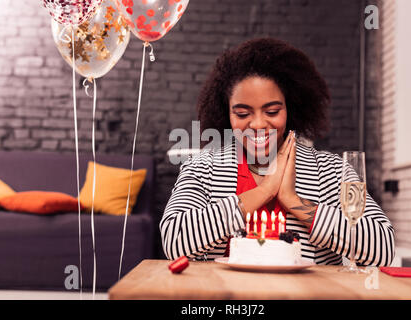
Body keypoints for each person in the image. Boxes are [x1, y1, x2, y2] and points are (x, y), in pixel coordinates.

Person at [160, 38, 395, 266]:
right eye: (242, 114)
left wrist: (293, 200)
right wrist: (263, 191)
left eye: (272, 111)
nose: (258, 124)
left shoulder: (332, 171)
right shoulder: (202, 167)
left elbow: (383, 248)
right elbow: (173, 241)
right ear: (227, 114)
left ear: (290, 108)